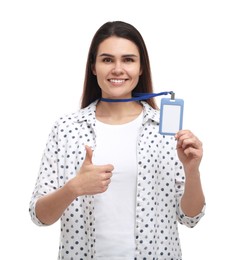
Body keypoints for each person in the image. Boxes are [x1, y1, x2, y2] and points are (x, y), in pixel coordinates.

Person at [29, 21, 205, 260]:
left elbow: (190, 217)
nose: (118, 69)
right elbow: (40, 216)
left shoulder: (166, 130)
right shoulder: (66, 129)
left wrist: (192, 170)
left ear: (141, 67)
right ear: (93, 66)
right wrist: (74, 188)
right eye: (107, 59)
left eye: (129, 60)